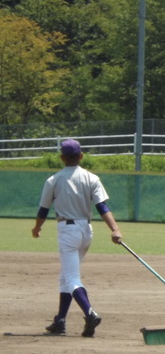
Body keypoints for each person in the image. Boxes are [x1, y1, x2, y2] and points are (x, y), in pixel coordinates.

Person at [31, 139, 123, 337]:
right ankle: (60, 320)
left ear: (62, 158)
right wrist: (115, 229)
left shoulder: (53, 180)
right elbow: (102, 207)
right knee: (66, 275)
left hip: (68, 231)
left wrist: (37, 227)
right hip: (86, 231)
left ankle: (90, 312)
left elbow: (43, 209)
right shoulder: (92, 178)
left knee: (71, 277)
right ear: (81, 155)